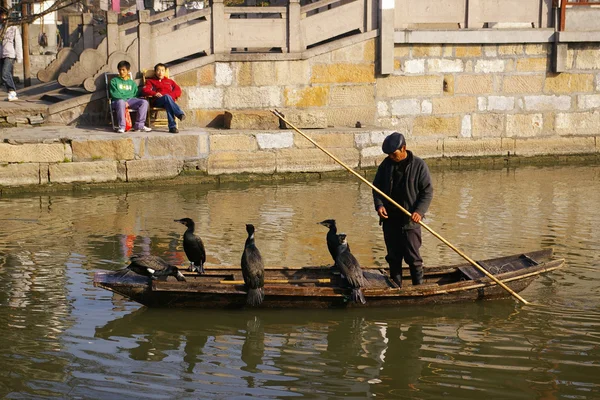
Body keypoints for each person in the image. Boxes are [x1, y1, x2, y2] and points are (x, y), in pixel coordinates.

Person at [372, 132, 433, 288]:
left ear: (403, 148)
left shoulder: (419, 166)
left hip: (410, 221)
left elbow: (427, 192)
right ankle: (396, 287)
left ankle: (418, 287)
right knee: (393, 257)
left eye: (394, 154)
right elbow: (376, 189)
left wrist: (419, 211)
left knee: (413, 257)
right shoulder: (386, 166)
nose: (391, 157)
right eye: (389, 154)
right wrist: (379, 205)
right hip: (390, 220)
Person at [141, 63, 185, 133]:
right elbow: (145, 90)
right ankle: (179, 113)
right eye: (158, 70)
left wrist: (171, 96)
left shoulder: (170, 82)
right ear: (155, 72)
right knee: (167, 98)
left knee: (168, 103)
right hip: (158, 101)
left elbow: (178, 90)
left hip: (168, 101)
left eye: (162, 70)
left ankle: (172, 127)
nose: (160, 72)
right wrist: (154, 93)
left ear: (165, 72)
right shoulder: (150, 81)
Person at [109, 60, 151, 133]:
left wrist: (131, 100)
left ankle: (139, 126)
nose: (121, 72)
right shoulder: (114, 81)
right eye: (120, 70)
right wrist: (124, 100)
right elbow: (114, 93)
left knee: (144, 102)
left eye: (123, 70)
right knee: (121, 102)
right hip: (117, 101)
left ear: (128, 70)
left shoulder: (132, 83)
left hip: (130, 100)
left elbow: (135, 94)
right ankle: (122, 126)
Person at [0, 7, 22, 102]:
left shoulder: (13, 28)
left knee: (5, 74)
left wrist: (19, 56)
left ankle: (12, 91)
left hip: (9, 54)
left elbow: (18, 42)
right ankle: (11, 93)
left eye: (3, 15)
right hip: (1, 54)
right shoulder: (0, 27)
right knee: (4, 74)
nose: (2, 17)